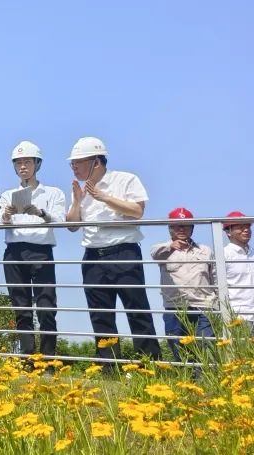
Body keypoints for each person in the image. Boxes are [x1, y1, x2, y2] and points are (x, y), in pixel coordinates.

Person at [66, 136, 162, 366]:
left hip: (123, 252)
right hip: (92, 255)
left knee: (137, 309)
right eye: (72, 163)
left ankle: (150, 364)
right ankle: (108, 366)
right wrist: (77, 201)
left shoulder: (125, 179)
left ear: (96, 162)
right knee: (100, 314)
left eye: (78, 162)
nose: (74, 167)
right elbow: (72, 226)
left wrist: (104, 197)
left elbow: (137, 211)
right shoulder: (79, 189)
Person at [0, 142, 66, 359]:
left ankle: (48, 358)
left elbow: (60, 221)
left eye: (27, 162)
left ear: (37, 164)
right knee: (21, 307)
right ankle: (27, 357)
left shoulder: (53, 193)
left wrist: (41, 213)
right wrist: (6, 215)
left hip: (41, 250)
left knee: (47, 305)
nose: (23, 167)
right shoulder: (8, 194)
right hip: (14, 251)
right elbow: (0, 220)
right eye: (18, 163)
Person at [149, 207, 216, 363]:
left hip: (204, 306)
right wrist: (170, 247)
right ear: (170, 228)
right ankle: (187, 377)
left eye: (186, 225)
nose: (181, 229)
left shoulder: (205, 250)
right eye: (177, 225)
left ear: (192, 228)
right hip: (175, 307)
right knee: (179, 350)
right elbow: (154, 254)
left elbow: (215, 277)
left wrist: (218, 304)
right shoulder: (162, 250)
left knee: (206, 346)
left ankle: (202, 377)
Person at [222, 211, 254, 326]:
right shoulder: (223, 255)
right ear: (228, 232)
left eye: (248, 226)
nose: (246, 230)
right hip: (238, 316)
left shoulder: (252, 253)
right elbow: (217, 286)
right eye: (240, 227)